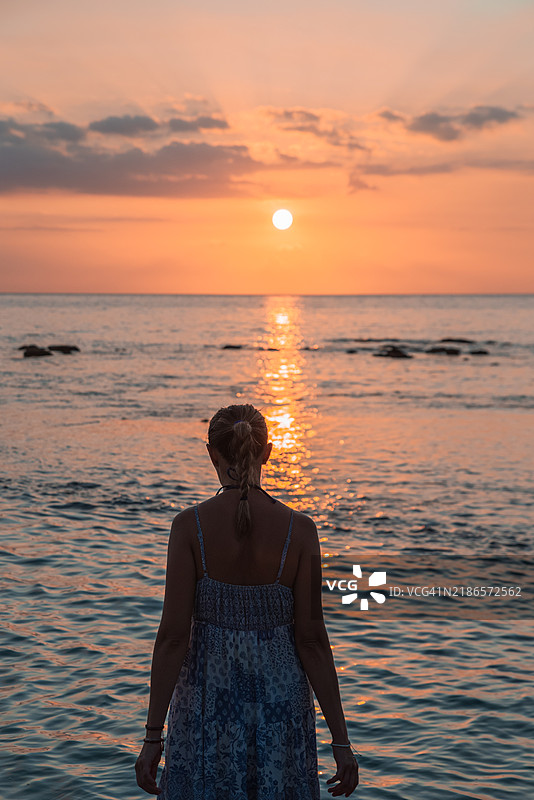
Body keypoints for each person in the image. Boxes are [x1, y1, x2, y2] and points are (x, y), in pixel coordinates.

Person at [135, 403, 360, 798]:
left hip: (206, 715)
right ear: (267, 453)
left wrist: (153, 737)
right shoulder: (301, 531)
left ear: (212, 454)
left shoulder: (189, 527)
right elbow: (312, 641)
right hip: (280, 717)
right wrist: (341, 741)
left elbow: (173, 638)